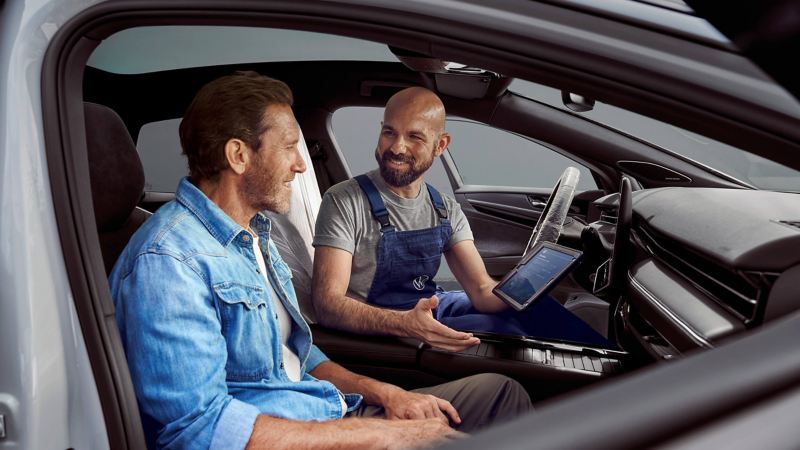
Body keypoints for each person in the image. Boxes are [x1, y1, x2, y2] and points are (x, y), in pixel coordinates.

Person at [108, 72, 531, 450]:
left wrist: (387, 395)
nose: (298, 165)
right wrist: (381, 435)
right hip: (289, 431)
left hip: (318, 410)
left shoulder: (255, 236)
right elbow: (197, 431)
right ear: (239, 156)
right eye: (290, 147)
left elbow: (297, 357)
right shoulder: (169, 262)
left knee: (501, 394)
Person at [311, 87, 607, 352]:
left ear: (441, 145)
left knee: (538, 310)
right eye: (390, 132)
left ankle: (619, 371)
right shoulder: (343, 200)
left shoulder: (445, 209)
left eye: (414, 136)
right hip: (385, 328)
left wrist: (525, 286)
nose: (397, 147)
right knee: (504, 334)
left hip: (431, 307)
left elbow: (480, 291)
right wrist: (406, 324)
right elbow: (328, 305)